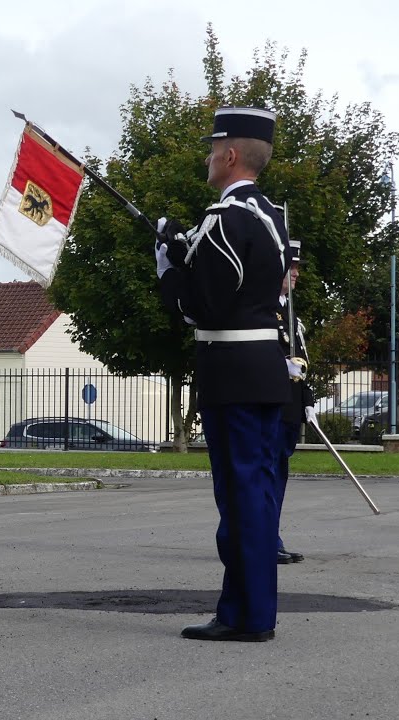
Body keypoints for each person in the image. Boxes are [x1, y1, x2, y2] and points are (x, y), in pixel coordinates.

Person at [156, 107, 290, 642]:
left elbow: (202, 308)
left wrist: (169, 268)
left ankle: (246, 616)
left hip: (231, 374)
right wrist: (186, 249)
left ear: (230, 156)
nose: (208, 160)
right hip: (264, 369)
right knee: (255, 492)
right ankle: (247, 609)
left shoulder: (224, 219)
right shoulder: (269, 216)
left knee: (239, 499)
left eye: (213, 151)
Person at [275, 239, 313, 564]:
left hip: (290, 406)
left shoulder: (289, 311)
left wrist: (308, 401)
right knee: (268, 475)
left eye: (298, 267)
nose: (297, 273)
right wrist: (280, 365)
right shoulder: (262, 308)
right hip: (272, 404)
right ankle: (265, 539)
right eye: (291, 266)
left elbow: (302, 360)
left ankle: (271, 536)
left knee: (279, 475)